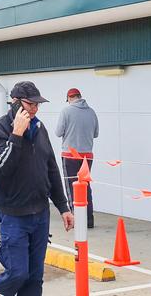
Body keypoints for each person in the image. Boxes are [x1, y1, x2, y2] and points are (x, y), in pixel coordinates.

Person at [0, 81, 74, 296]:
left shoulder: (40, 128)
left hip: (40, 214)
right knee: (18, 273)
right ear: (15, 103)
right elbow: (3, 166)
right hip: (13, 215)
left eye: (37, 104)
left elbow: (51, 169)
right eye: (30, 104)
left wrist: (63, 207)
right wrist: (16, 134)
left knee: (35, 278)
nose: (34, 109)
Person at [55, 87, 99, 228]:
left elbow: (58, 132)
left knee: (71, 186)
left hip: (70, 155)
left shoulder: (66, 111)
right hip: (87, 155)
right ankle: (89, 220)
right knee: (85, 186)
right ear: (80, 96)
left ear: (69, 98)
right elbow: (96, 133)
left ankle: (77, 219)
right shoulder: (92, 112)